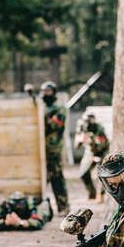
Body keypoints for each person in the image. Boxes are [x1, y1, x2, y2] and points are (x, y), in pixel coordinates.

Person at [41, 81, 70, 215]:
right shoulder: (43, 107)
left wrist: (42, 116)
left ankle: (63, 206)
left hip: (53, 149)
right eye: (44, 91)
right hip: (41, 150)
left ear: (53, 92)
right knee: (40, 179)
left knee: (56, 178)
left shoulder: (59, 108)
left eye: (48, 92)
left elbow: (54, 125)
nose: (46, 94)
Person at [75, 113, 109, 202]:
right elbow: (76, 146)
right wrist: (80, 140)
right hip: (90, 151)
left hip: (102, 151)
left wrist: (92, 141)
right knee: (83, 173)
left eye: (90, 121)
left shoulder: (99, 128)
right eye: (86, 121)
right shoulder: (82, 128)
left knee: (101, 173)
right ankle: (92, 193)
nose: (88, 124)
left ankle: (100, 195)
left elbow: (102, 145)